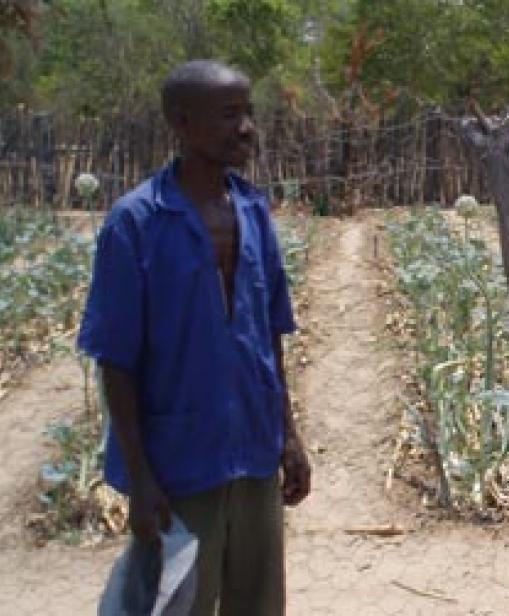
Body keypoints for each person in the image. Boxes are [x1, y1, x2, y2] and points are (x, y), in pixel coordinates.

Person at [79, 59, 311, 615]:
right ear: (181, 125)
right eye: (229, 116)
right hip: (179, 462)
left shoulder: (254, 211)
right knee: (178, 603)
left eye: (249, 114)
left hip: (253, 451)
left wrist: (289, 435)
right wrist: (140, 480)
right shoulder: (135, 223)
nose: (247, 128)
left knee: (257, 604)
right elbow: (116, 361)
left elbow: (269, 336)